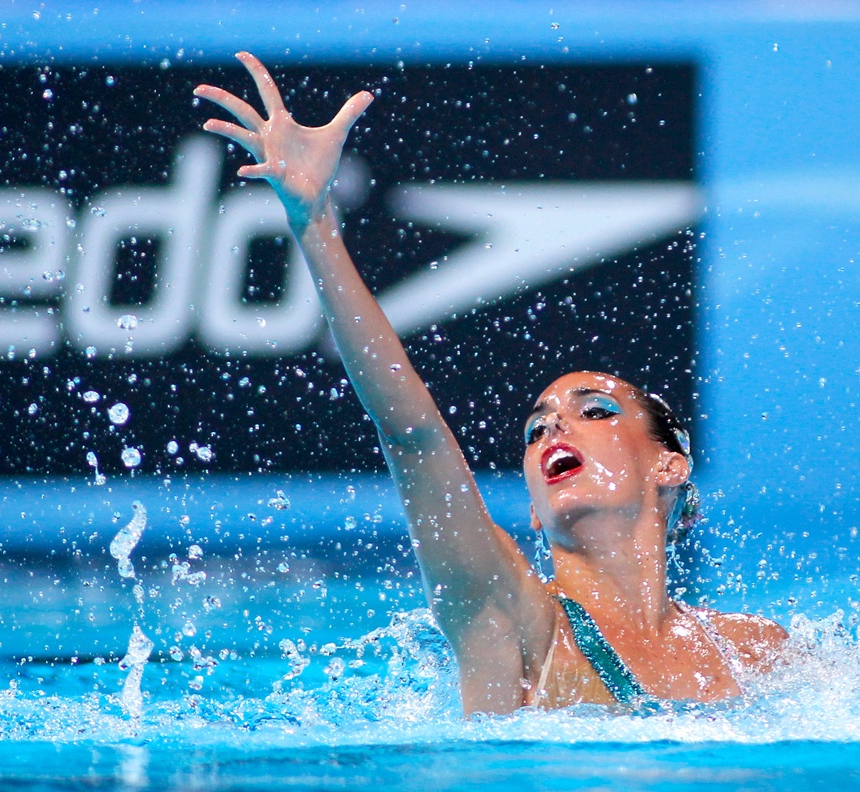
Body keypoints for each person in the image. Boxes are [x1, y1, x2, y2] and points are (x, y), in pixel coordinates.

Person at [195, 52, 787, 715]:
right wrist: (316, 226)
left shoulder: (755, 649)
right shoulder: (515, 619)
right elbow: (411, 434)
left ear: (669, 464)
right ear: (533, 509)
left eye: (594, 410)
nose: (555, 427)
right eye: (537, 428)